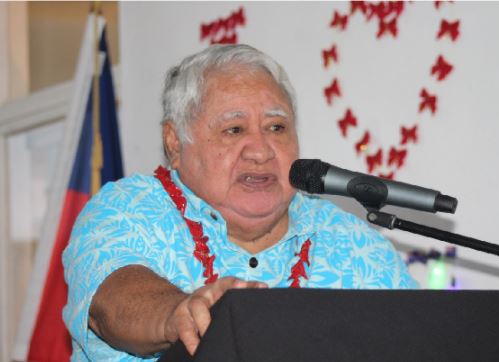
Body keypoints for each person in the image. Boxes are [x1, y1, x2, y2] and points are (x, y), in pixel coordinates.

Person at [62, 44, 417, 361]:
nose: (261, 151)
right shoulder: (126, 207)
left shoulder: (355, 245)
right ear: (174, 142)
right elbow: (113, 302)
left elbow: (420, 342)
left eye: (277, 128)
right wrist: (180, 312)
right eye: (234, 130)